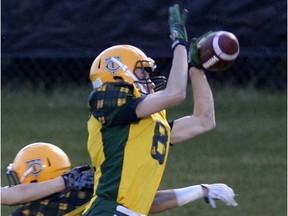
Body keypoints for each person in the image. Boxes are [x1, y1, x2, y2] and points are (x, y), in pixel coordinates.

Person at [83, 4, 237, 216]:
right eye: (142, 72)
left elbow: (204, 120)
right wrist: (179, 44)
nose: (149, 79)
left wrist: (196, 68)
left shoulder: (149, 122)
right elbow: (175, 94)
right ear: (118, 73)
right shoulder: (107, 101)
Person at [2, 143, 237, 215]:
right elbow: (148, 203)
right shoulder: (86, 191)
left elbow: (10, 196)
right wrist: (201, 190)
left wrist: (201, 190)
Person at [3, 142, 94, 215]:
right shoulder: (87, 196)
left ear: (34, 180)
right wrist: (65, 181)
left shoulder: (28, 212)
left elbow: (12, 195)